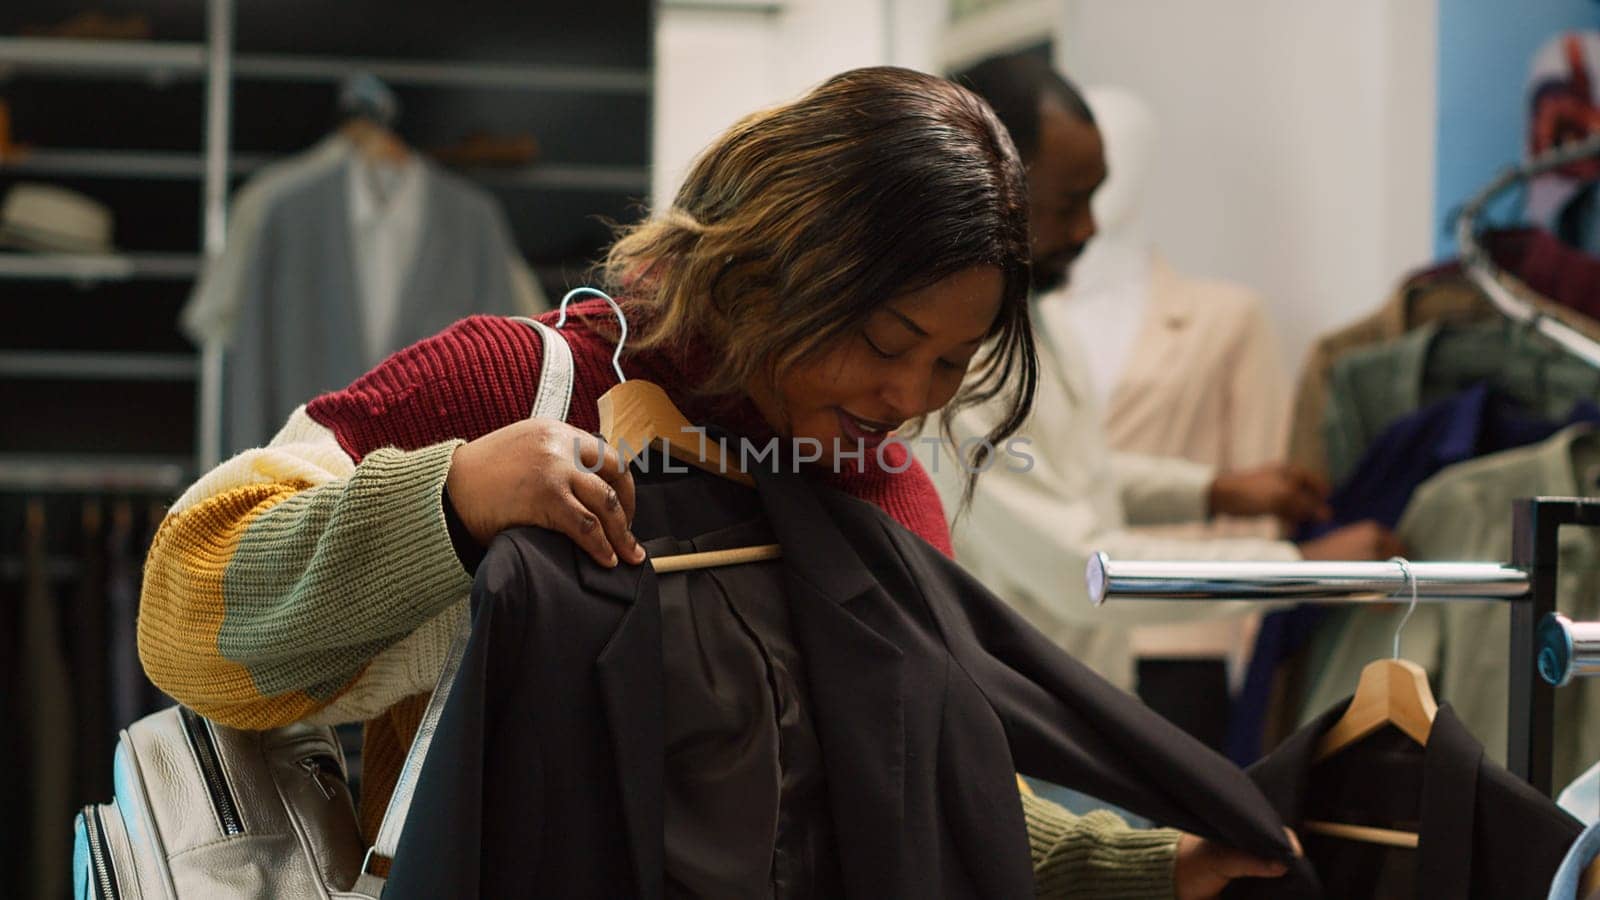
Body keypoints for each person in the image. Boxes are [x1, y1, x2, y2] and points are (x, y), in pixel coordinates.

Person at [139, 66, 1286, 896]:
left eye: (951, 364)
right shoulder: (523, 382)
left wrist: (1145, 866)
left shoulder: (888, 498)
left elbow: (908, 794)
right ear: (777, 266)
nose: (911, 401)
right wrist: (452, 496)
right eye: (886, 343)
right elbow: (186, 614)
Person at [924, 52, 1405, 697]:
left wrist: (1213, 491)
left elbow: (1064, 469)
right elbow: (1079, 568)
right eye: (1070, 202)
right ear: (990, 186)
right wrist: (1303, 566)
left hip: (1075, 695)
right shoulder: (955, 361)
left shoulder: (1037, 315)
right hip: (1011, 712)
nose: (1090, 226)